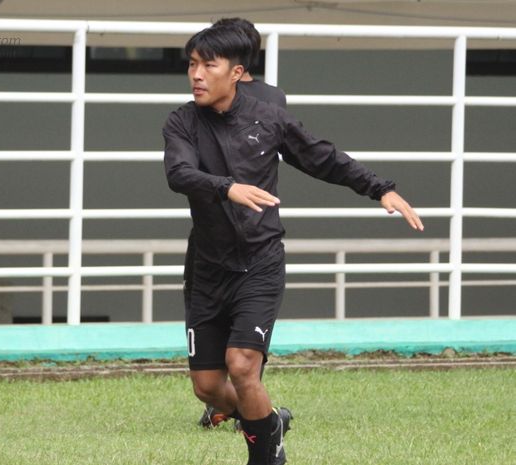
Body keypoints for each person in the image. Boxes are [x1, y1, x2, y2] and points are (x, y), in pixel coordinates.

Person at [162, 23, 423, 465]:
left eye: (209, 65)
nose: (197, 75)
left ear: (238, 72)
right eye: (192, 64)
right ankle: (267, 420)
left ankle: (268, 454)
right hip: (206, 268)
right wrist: (227, 187)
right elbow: (178, 174)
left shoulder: (269, 117)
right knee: (208, 387)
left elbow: (323, 157)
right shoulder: (181, 121)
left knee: (243, 365)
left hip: (260, 263)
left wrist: (380, 188)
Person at [197, 18, 290, 433]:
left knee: (242, 352)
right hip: (228, 228)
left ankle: (250, 411)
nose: (199, 73)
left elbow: (288, 149)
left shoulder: (265, 101)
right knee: (215, 372)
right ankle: (243, 405)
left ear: (236, 60)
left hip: (243, 231)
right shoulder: (202, 103)